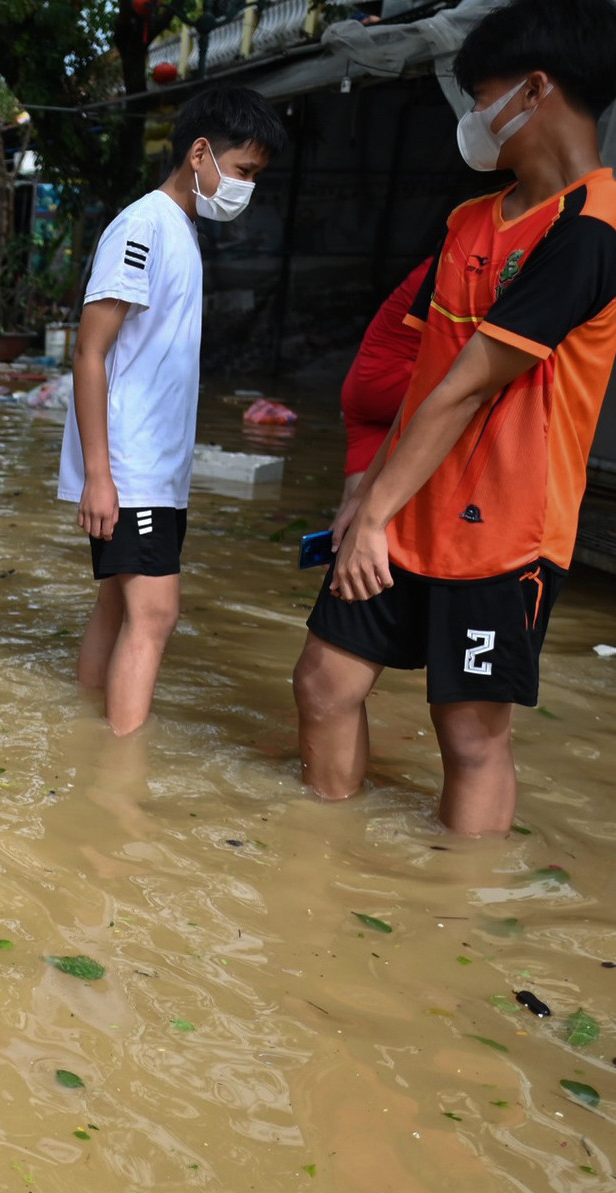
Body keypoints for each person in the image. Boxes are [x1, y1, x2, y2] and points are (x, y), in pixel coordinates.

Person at [293, 0, 616, 835]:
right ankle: (319, 865)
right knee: (324, 684)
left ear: (534, 90)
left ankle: (453, 923)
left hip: (503, 536)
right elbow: (420, 377)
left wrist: (374, 514)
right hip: (404, 509)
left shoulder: (593, 227)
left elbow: (471, 388)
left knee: (469, 736)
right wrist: (363, 495)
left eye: (480, 94)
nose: (471, 117)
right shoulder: (468, 222)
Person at [59, 86, 289, 735]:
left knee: (116, 605)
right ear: (198, 153)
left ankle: (82, 737)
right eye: (243, 170)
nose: (246, 187)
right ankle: (119, 782)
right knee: (154, 616)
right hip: (129, 466)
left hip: (152, 468)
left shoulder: (178, 230)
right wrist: (100, 475)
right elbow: (89, 352)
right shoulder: (142, 226)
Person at [338, 260, 430, 501]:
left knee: (354, 501)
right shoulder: (459, 269)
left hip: (362, 384)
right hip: (400, 379)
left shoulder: (432, 268)